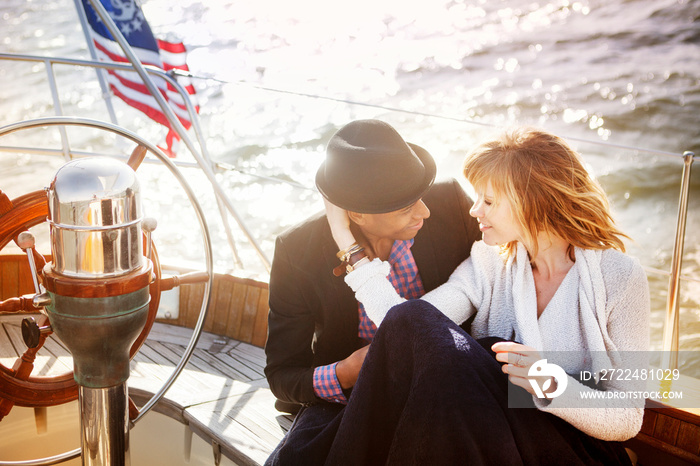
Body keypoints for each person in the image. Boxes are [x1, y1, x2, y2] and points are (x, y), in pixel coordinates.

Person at [322, 126, 650, 464]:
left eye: (489, 201)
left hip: (570, 448)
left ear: (532, 201)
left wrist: (550, 382)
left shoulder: (619, 277)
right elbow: (405, 325)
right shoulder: (489, 263)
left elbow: (627, 418)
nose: (474, 210)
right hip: (491, 437)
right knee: (431, 338)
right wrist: (347, 242)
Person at [264, 119, 481, 464]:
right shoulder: (297, 250)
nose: (424, 211)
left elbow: (406, 321)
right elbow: (282, 375)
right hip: (352, 396)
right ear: (359, 214)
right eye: (407, 207)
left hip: (450, 377)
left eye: (420, 198)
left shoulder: (452, 202)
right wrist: (346, 372)